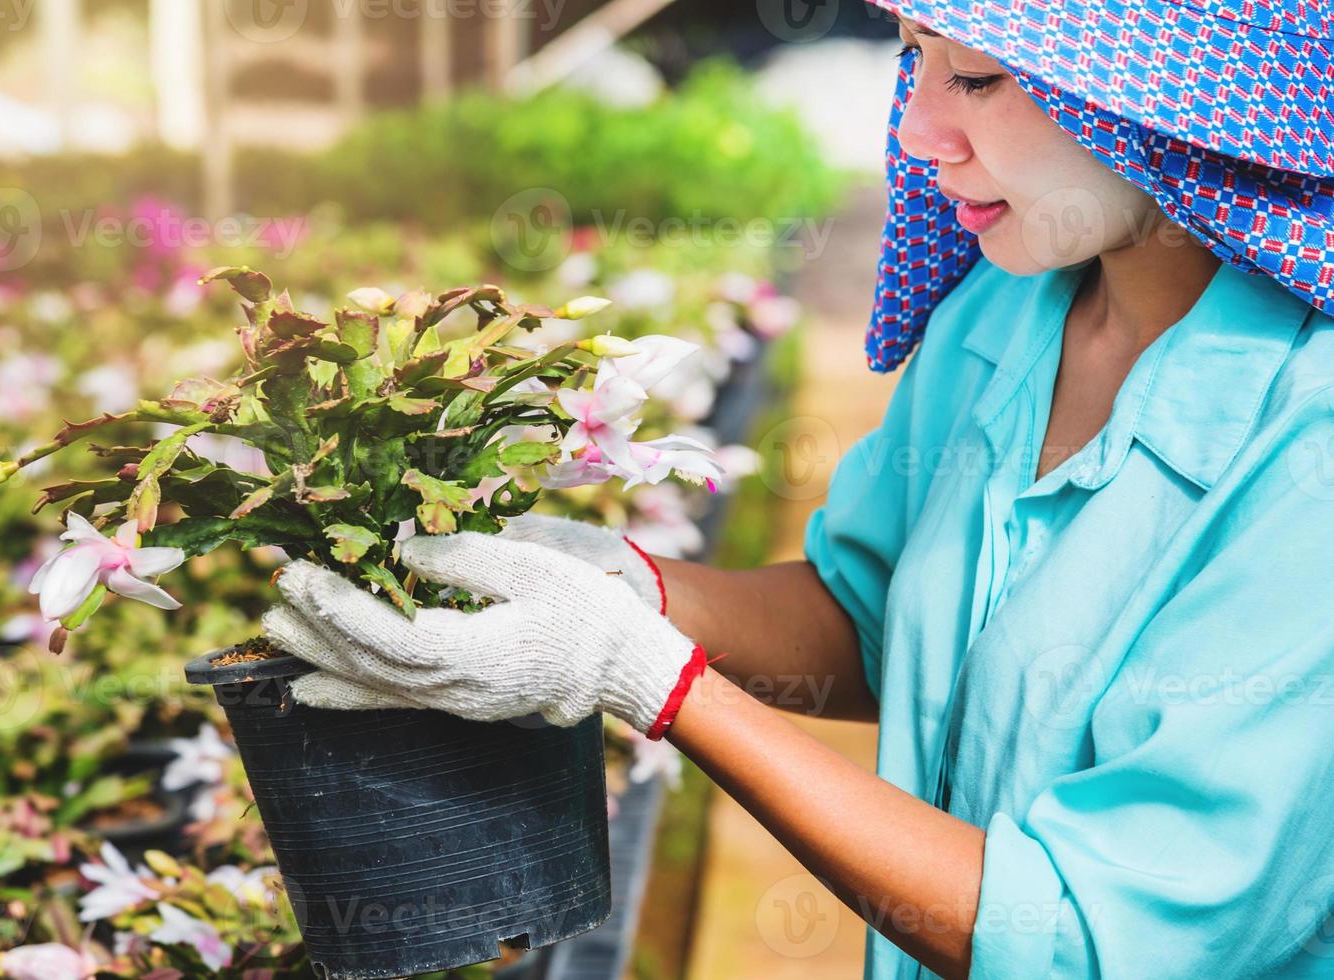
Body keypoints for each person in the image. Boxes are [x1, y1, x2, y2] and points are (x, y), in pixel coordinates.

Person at [261, 1, 1334, 976]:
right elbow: (867, 621)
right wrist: (630, 588)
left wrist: (654, 682)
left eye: (978, 78)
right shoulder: (1005, 321)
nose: (919, 130)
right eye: (913, 59)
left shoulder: (1306, 452)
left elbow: (1087, 939)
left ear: (1171, 94)